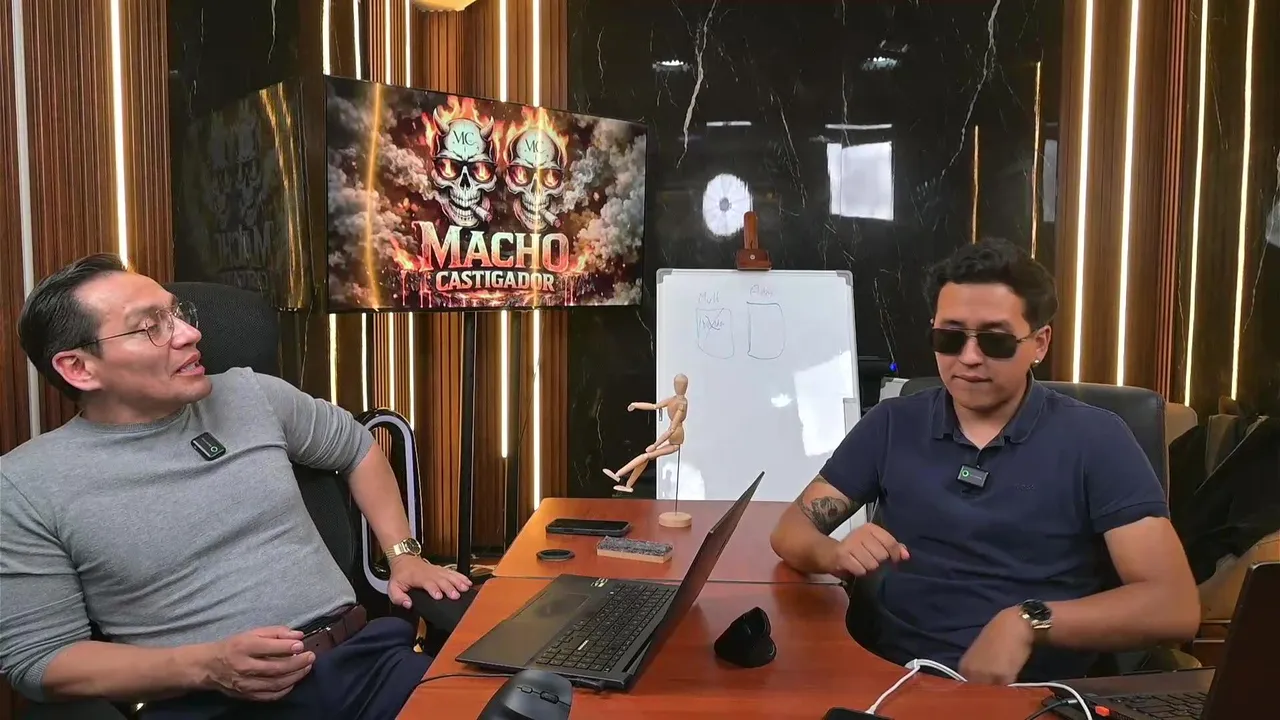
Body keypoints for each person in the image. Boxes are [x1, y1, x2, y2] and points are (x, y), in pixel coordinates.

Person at [1, 254, 472, 719]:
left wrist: (403, 554)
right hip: (214, 704)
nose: (189, 333)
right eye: (150, 327)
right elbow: (40, 661)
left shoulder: (251, 394)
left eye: (177, 314)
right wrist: (206, 667)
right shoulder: (26, 485)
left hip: (366, 666)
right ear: (79, 368)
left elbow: (356, 447)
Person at [769, 239, 1200, 685]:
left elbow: (1173, 605)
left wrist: (1026, 622)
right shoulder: (892, 423)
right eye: (950, 337)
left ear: (1039, 343)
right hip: (889, 678)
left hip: (1031, 694)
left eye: (995, 341)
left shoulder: (1097, 439)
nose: (969, 357)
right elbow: (790, 531)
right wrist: (834, 553)